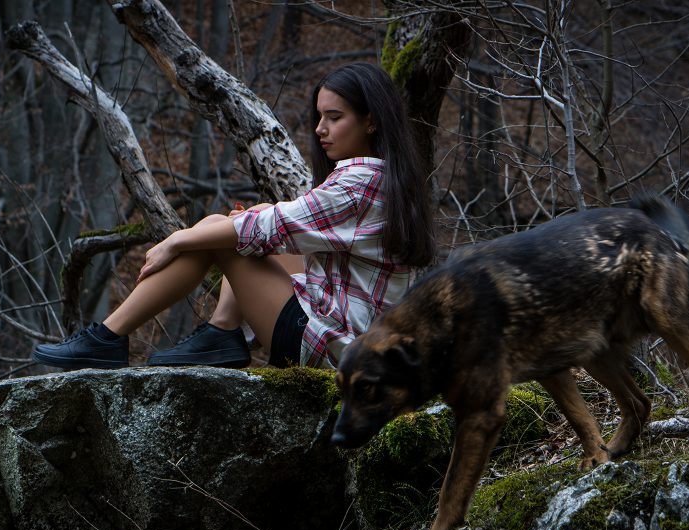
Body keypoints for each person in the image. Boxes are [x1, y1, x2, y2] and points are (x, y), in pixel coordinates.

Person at [32, 62, 435, 370]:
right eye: (319, 117)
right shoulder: (387, 179)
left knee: (222, 232)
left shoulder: (360, 181)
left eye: (334, 117)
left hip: (335, 354)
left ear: (371, 120)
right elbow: (279, 223)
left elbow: (268, 229)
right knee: (244, 221)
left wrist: (177, 239)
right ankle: (220, 331)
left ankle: (110, 337)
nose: (319, 130)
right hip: (351, 341)